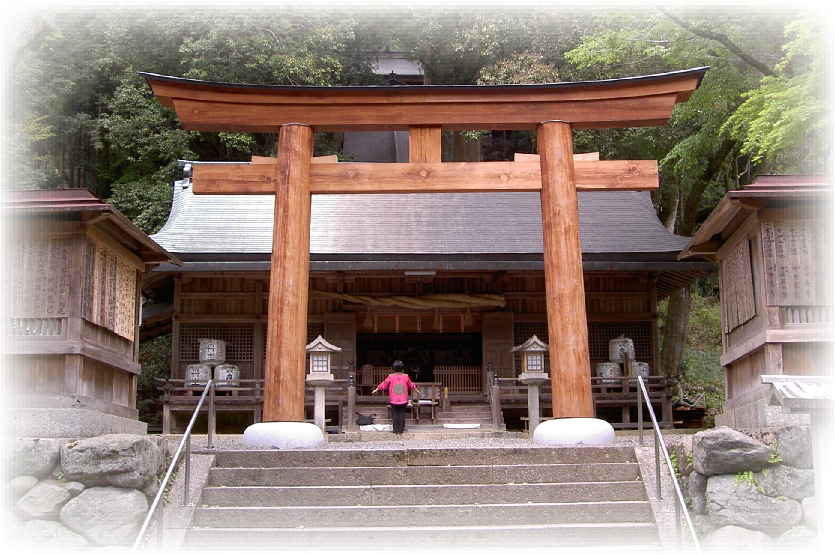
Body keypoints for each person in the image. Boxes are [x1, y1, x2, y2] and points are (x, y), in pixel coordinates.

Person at [371, 360, 420, 435]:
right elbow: (411, 385)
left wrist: (377, 389)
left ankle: (396, 429)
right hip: (403, 399)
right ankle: (401, 429)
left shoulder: (391, 377)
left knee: (395, 414)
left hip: (393, 399)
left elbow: (384, 384)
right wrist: (416, 389)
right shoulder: (406, 376)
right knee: (402, 414)